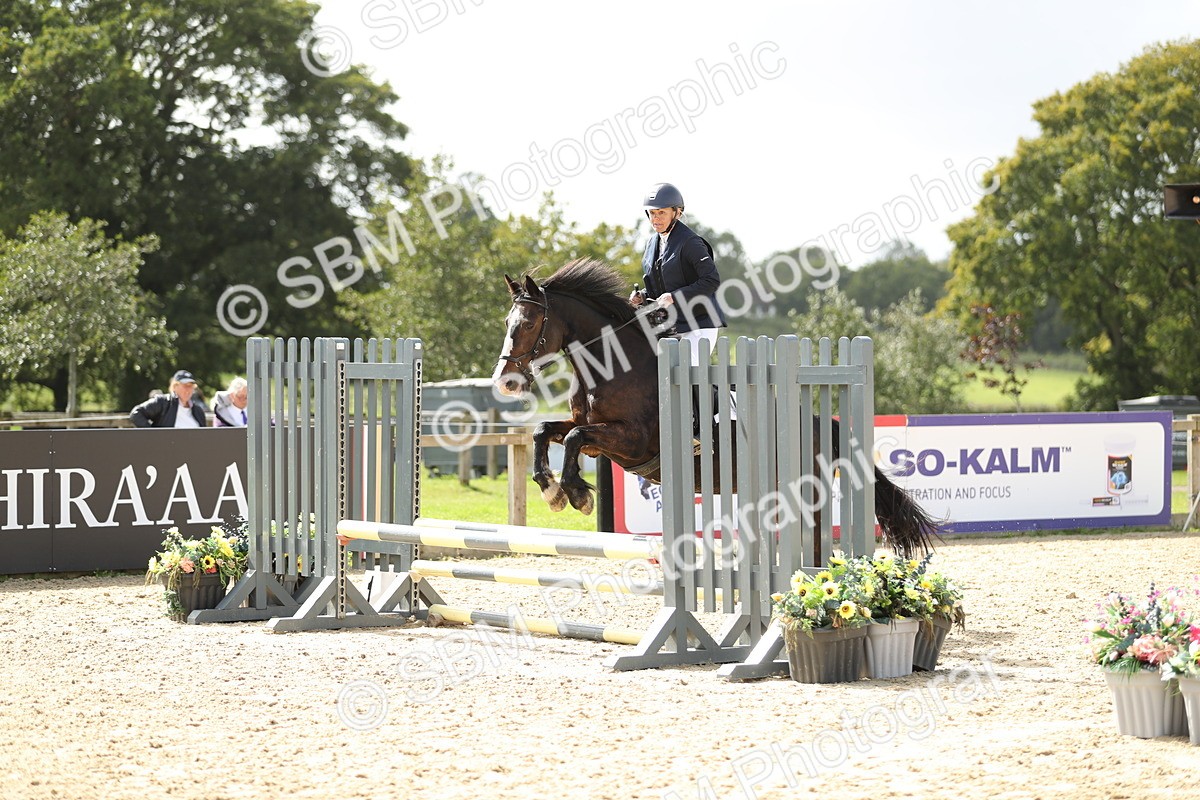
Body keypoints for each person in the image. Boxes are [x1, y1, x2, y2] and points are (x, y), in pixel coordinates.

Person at [628, 181, 727, 351]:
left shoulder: (691, 242)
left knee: (686, 376)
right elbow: (661, 285)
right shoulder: (652, 243)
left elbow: (711, 280)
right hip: (669, 325)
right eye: (652, 213)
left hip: (699, 325)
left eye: (661, 212)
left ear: (677, 213)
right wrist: (642, 295)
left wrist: (673, 297)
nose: (655, 218)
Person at [129, 370, 208, 428]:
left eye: (190, 386)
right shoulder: (163, 402)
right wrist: (154, 435)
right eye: (185, 385)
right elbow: (136, 413)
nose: (188, 389)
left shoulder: (198, 411)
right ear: (175, 386)